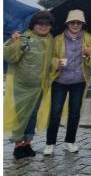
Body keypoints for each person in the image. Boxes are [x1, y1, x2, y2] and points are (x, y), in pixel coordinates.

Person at [44, 10, 91, 156]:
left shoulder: (88, 38)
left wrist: (89, 55)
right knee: (55, 113)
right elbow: (50, 57)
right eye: (72, 22)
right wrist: (56, 63)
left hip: (79, 81)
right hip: (59, 81)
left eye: (78, 22)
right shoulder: (58, 39)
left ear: (82, 24)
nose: (75, 25)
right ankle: (50, 143)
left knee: (74, 113)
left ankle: (70, 141)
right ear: (67, 24)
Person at [4, 11, 55, 159]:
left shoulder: (50, 39)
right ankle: (18, 145)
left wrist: (56, 64)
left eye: (47, 24)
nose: (43, 26)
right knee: (21, 115)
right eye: (40, 23)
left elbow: (49, 60)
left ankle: (27, 143)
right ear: (33, 25)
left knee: (32, 115)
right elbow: (9, 57)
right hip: (22, 86)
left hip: (39, 86)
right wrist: (13, 42)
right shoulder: (24, 37)